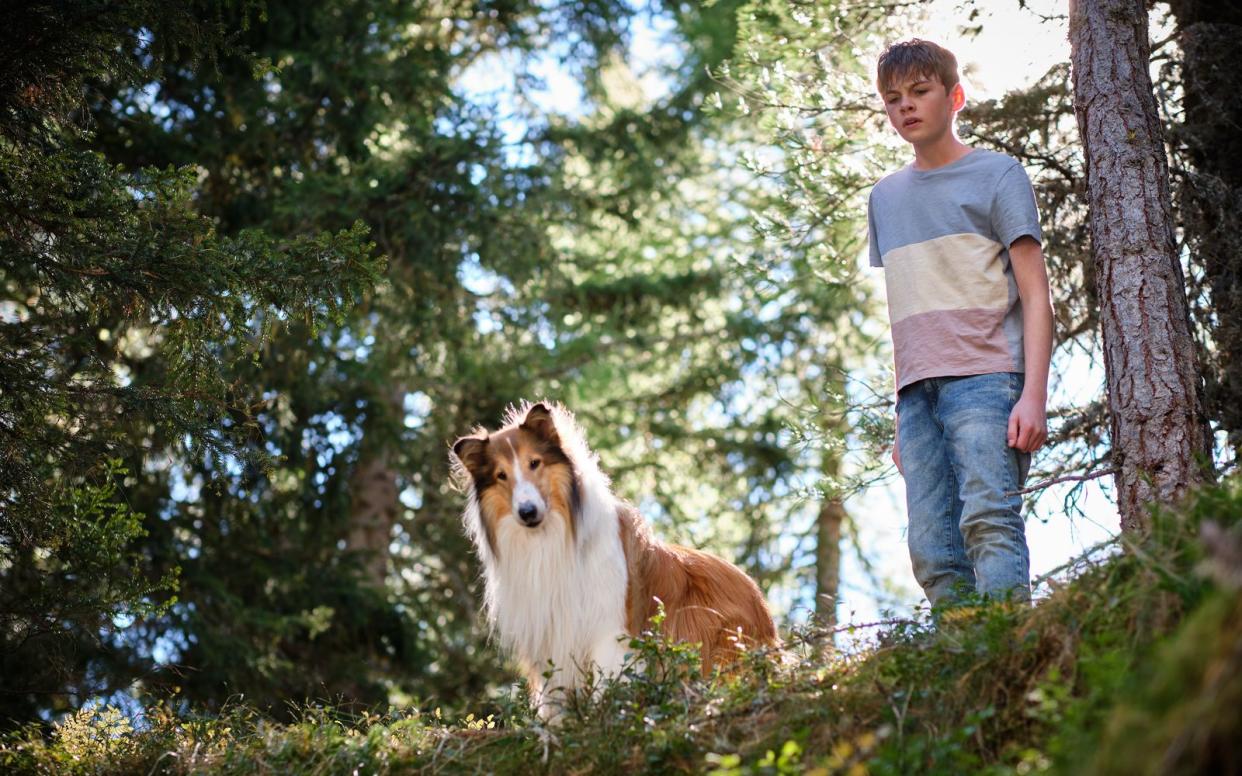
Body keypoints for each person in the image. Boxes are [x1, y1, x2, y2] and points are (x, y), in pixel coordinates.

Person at [866, 38, 1053, 611]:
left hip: (988, 379)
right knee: (931, 549)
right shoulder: (884, 198)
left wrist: (1034, 396)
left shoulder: (998, 175)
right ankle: (965, 668)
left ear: (955, 96)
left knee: (989, 520)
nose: (906, 107)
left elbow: (1037, 296)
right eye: (893, 99)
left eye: (920, 92)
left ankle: (1009, 658)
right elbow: (905, 306)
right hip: (916, 395)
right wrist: (900, 412)